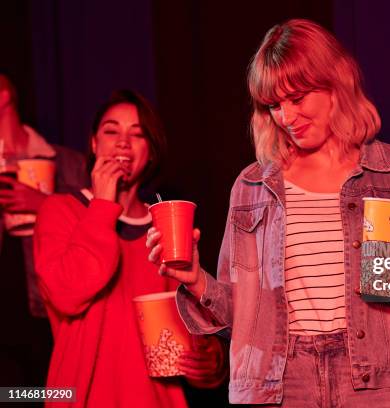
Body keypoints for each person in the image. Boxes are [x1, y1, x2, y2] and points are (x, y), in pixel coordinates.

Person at [147, 19, 390, 407]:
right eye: (274, 105)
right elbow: (241, 318)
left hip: (375, 385)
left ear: (336, 83)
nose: (287, 117)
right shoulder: (253, 186)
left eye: (297, 97)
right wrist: (193, 278)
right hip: (278, 384)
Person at [34, 90, 228, 407]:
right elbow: (69, 294)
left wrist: (208, 361)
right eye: (111, 131)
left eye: (137, 135)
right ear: (94, 144)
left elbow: (194, 328)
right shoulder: (60, 211)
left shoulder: (166, 223)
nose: (123, 142)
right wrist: (101, 207)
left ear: (150, 152)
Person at [0, 74, 87, 387]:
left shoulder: (67, 163)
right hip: (6, 306)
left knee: (54, 391)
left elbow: (99, 229)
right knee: (9, 395)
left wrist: (44, 204)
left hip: (48, 305)